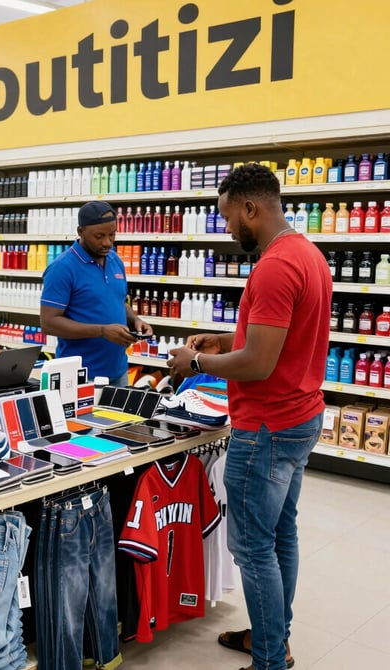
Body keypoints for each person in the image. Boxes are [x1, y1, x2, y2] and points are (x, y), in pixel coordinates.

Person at [168, 163, 331, 670]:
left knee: (254, 547)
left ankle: (269, 660)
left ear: (250, 208)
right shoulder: (307, 254)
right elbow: (276, 339)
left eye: (227, 217)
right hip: (300, 418)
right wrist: (224, 342)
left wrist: (196, 362)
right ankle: (273, 638)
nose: (227, 228)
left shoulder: (274, 267)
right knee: (281, 535)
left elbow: (259, 364)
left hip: (266, 428)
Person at [40, 200, 152, 385]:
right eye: (99, 236)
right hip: (80, 376)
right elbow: (49, 323)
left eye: (112, 234)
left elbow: (117, 301)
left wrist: (136, 321)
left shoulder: (115, 260)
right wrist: (102, 331)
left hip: (118, 371)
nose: (107, 242)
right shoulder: (62, 268)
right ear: (81, 231)